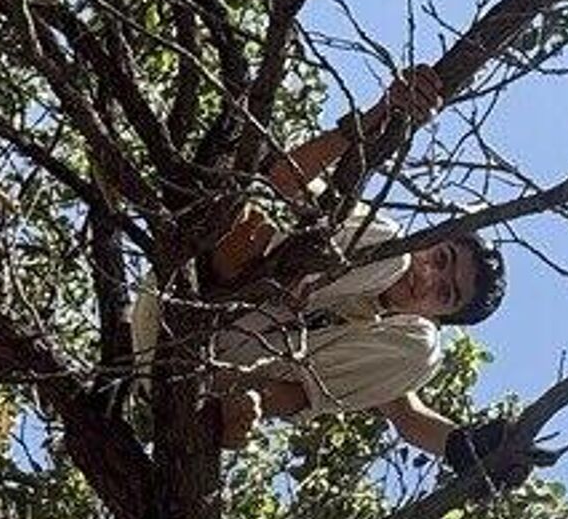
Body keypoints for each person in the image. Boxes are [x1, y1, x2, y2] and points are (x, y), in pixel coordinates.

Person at [133, 68, 542, 488]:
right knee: (391, 250)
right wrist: (379, 117)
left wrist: (472, 449)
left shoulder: (388, 340)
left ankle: (236, 408)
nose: (429, 277)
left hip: (198, 379)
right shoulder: (381, 241)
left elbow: (409, 417)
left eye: (446, 293)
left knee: (424, 352)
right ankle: (276, 270)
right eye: (440, 258)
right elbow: (281, 180)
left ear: (439, 312)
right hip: (188, 293)